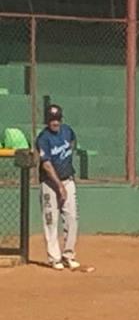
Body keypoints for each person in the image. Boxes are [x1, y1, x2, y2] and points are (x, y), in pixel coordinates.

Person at [34, 104, 80, 270]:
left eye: (57, 119)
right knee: (50, 221)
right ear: (47, 121)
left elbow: (72, 143)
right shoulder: (43, 138)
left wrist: (67, 175)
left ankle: (68, 255)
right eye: (52, 119)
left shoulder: (68, 131)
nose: (55, 122)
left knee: (72, 218)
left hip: (68, 180)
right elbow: (46, 165)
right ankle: (55, 258)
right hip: (49, 184)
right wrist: (59, 186)